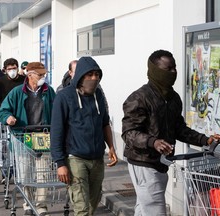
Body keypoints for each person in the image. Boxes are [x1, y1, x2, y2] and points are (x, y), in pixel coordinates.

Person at [121, 49, 220, 216]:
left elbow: (179, 129)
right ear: (155, 71)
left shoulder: (173, 98)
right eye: (169, 69)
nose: (174, 72)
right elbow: (129, 133)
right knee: (155, 210)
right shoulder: (139, 98)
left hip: (162, 162)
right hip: (143, 161)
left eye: (175, 68)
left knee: (144, 209)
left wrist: (205, 140)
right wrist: (153, 142)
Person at [50, 56, 118, 216]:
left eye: (97, 74)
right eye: (90, 75)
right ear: (80, 75)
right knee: (82, 208)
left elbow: (105, 123)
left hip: (97, 158)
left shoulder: (98, 95)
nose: (94, 78)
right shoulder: (64, 96)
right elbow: (57, 131)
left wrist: (112, 147)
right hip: (75, 158)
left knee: (92, 204)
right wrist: (60, 163)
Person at [0, 62, 55, 215]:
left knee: (43, 174)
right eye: (40, 75)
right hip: (23, 137)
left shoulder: (49, 91)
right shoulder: (17, 92)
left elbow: (57, 110)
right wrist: (8, 118)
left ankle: (41, 205)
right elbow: (3, 111)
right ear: (30, 75)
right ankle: (28, 202)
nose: (43, 77)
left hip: (43, 136)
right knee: (25, 174)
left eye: (44, 75)